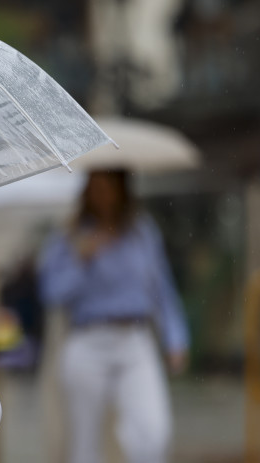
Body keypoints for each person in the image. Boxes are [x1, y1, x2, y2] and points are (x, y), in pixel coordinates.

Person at [37, 169, 189, 463]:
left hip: (135, 339)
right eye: (96, 187)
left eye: (109, 186)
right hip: (87, 339)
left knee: (152, 433)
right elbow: (51, 293)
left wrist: (176, 337)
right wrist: (82, 260)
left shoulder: (142, 232)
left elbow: (162, 289)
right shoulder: (70, 234)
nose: (103, 194)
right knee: (85, 443)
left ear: (122, 189)